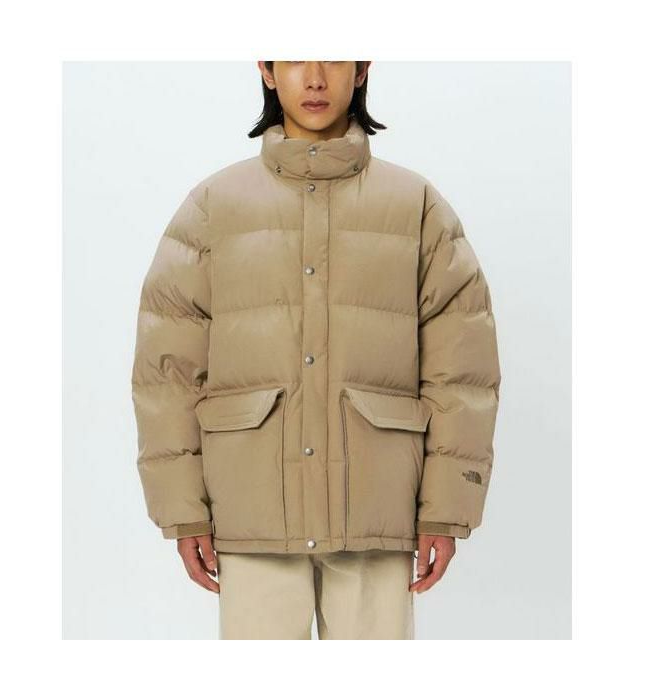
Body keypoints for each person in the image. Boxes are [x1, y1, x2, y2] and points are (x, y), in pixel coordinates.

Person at [131, 61, 501, 640]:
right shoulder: (214, 208)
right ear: (267, 69)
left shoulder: (416, 207)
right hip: (251, 508)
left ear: (362, 69)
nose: (316, 77)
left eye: (333, 54)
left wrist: (447, 507)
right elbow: (168, 372)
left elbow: (462, 370)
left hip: (376, 508)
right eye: (296, 56)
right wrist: (182, 508)